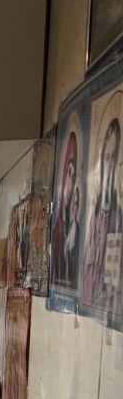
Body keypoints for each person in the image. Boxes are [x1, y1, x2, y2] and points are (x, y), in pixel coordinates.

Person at [83, 116, 122, 311]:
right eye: (107, 157)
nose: (110, 164)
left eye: (114, 157)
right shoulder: (94, 214)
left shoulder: (118, 217)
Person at [50, 131, 78, 288]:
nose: (71, 183)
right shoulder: (57, 231)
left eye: (74, 177)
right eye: (69, 174)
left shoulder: (75, 227)